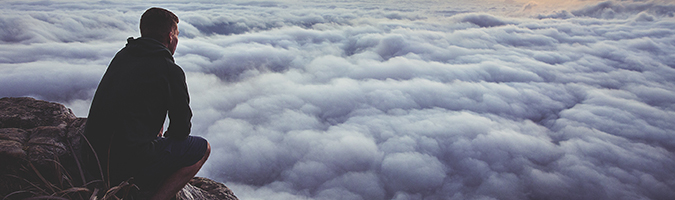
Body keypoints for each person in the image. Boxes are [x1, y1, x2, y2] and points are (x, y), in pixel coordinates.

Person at [82, 7, 210, 200]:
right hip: (125, 166)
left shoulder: (122, 56)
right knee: (203, 148)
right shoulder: (170, 70)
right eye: (176, 35)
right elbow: (181, 129)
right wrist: (163, 140)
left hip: (91, 160)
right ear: (170, 36)